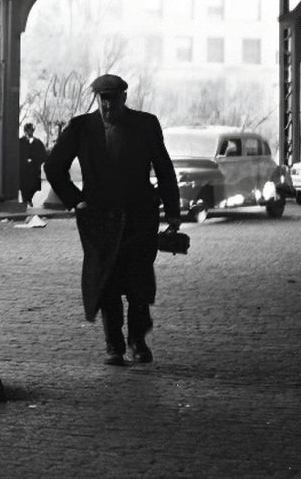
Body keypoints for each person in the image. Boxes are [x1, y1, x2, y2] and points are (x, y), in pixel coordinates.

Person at [44, 73, 181, 367]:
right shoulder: (81, 128)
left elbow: (164, 168)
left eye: (113, 100)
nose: (108, 106)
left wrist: (173, 212)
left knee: (138, 282)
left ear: (124, 98)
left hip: (138, 217)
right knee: (106, 282)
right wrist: (76, 199)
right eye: (103, 100)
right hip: (99, 220)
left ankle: (137, 340)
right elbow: (54, 166)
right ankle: (114, 345)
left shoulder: (146, 125)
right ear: (98, 100)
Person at [18, 121, 48, 204]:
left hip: (34, 168)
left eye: (31, 130)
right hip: (23, 169)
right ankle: (26, 200)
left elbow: (43, 155)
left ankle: (29, 199)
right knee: (24, 187)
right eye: (28, 130)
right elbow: (16, 154)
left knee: (34, 186)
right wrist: (23, 161)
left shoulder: (38, 143)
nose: (29, 132)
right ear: (25, 131)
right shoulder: (20, 142)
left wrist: (36, 161)